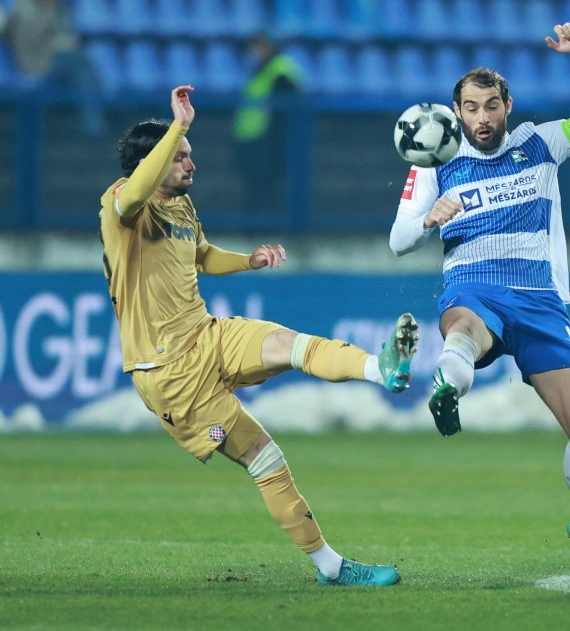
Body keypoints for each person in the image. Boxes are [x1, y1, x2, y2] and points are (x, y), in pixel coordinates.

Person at [100, 85, 418, 587]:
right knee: (264, 457)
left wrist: (249, 260)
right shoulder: (122, 203)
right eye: (180, 157)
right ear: (152, 162)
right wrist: (178, 125)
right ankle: (330, 567)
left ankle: (382, 370)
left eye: (189, 156)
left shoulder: (182, 209)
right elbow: (136, 191)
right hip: (168, 371)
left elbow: (202, 255)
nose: (191, 165)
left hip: (206, 334)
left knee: (288, 343)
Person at [389, 21, 570, 578]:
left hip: (540, 299)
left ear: (507, 106)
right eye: (471, 108)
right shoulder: (433, 162)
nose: (482, 118)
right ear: (455, 113)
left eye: (491, 105)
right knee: (464, 333)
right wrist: (429, 219)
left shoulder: (541, 143)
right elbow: (398, 241)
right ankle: (447, 385)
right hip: (474, 283)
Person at [3, 0, 105, 135]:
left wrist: (58, 40)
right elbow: (34, 39)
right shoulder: (24, 6)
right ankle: (94, 119)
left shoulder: (53, 6)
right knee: (80, 63)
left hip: (53, 60)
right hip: (34, 63)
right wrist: (55, 37)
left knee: (82, 64)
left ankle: (94, 116)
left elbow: (66, 34)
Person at [232, 33, 303, 206]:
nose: (254, 51)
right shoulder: (259, 70)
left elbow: (286, 112)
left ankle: (266, 228)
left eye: (257, 46)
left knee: (267, 188)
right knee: (255, 188)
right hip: (252, 140)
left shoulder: (281, 72)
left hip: (269, 142)